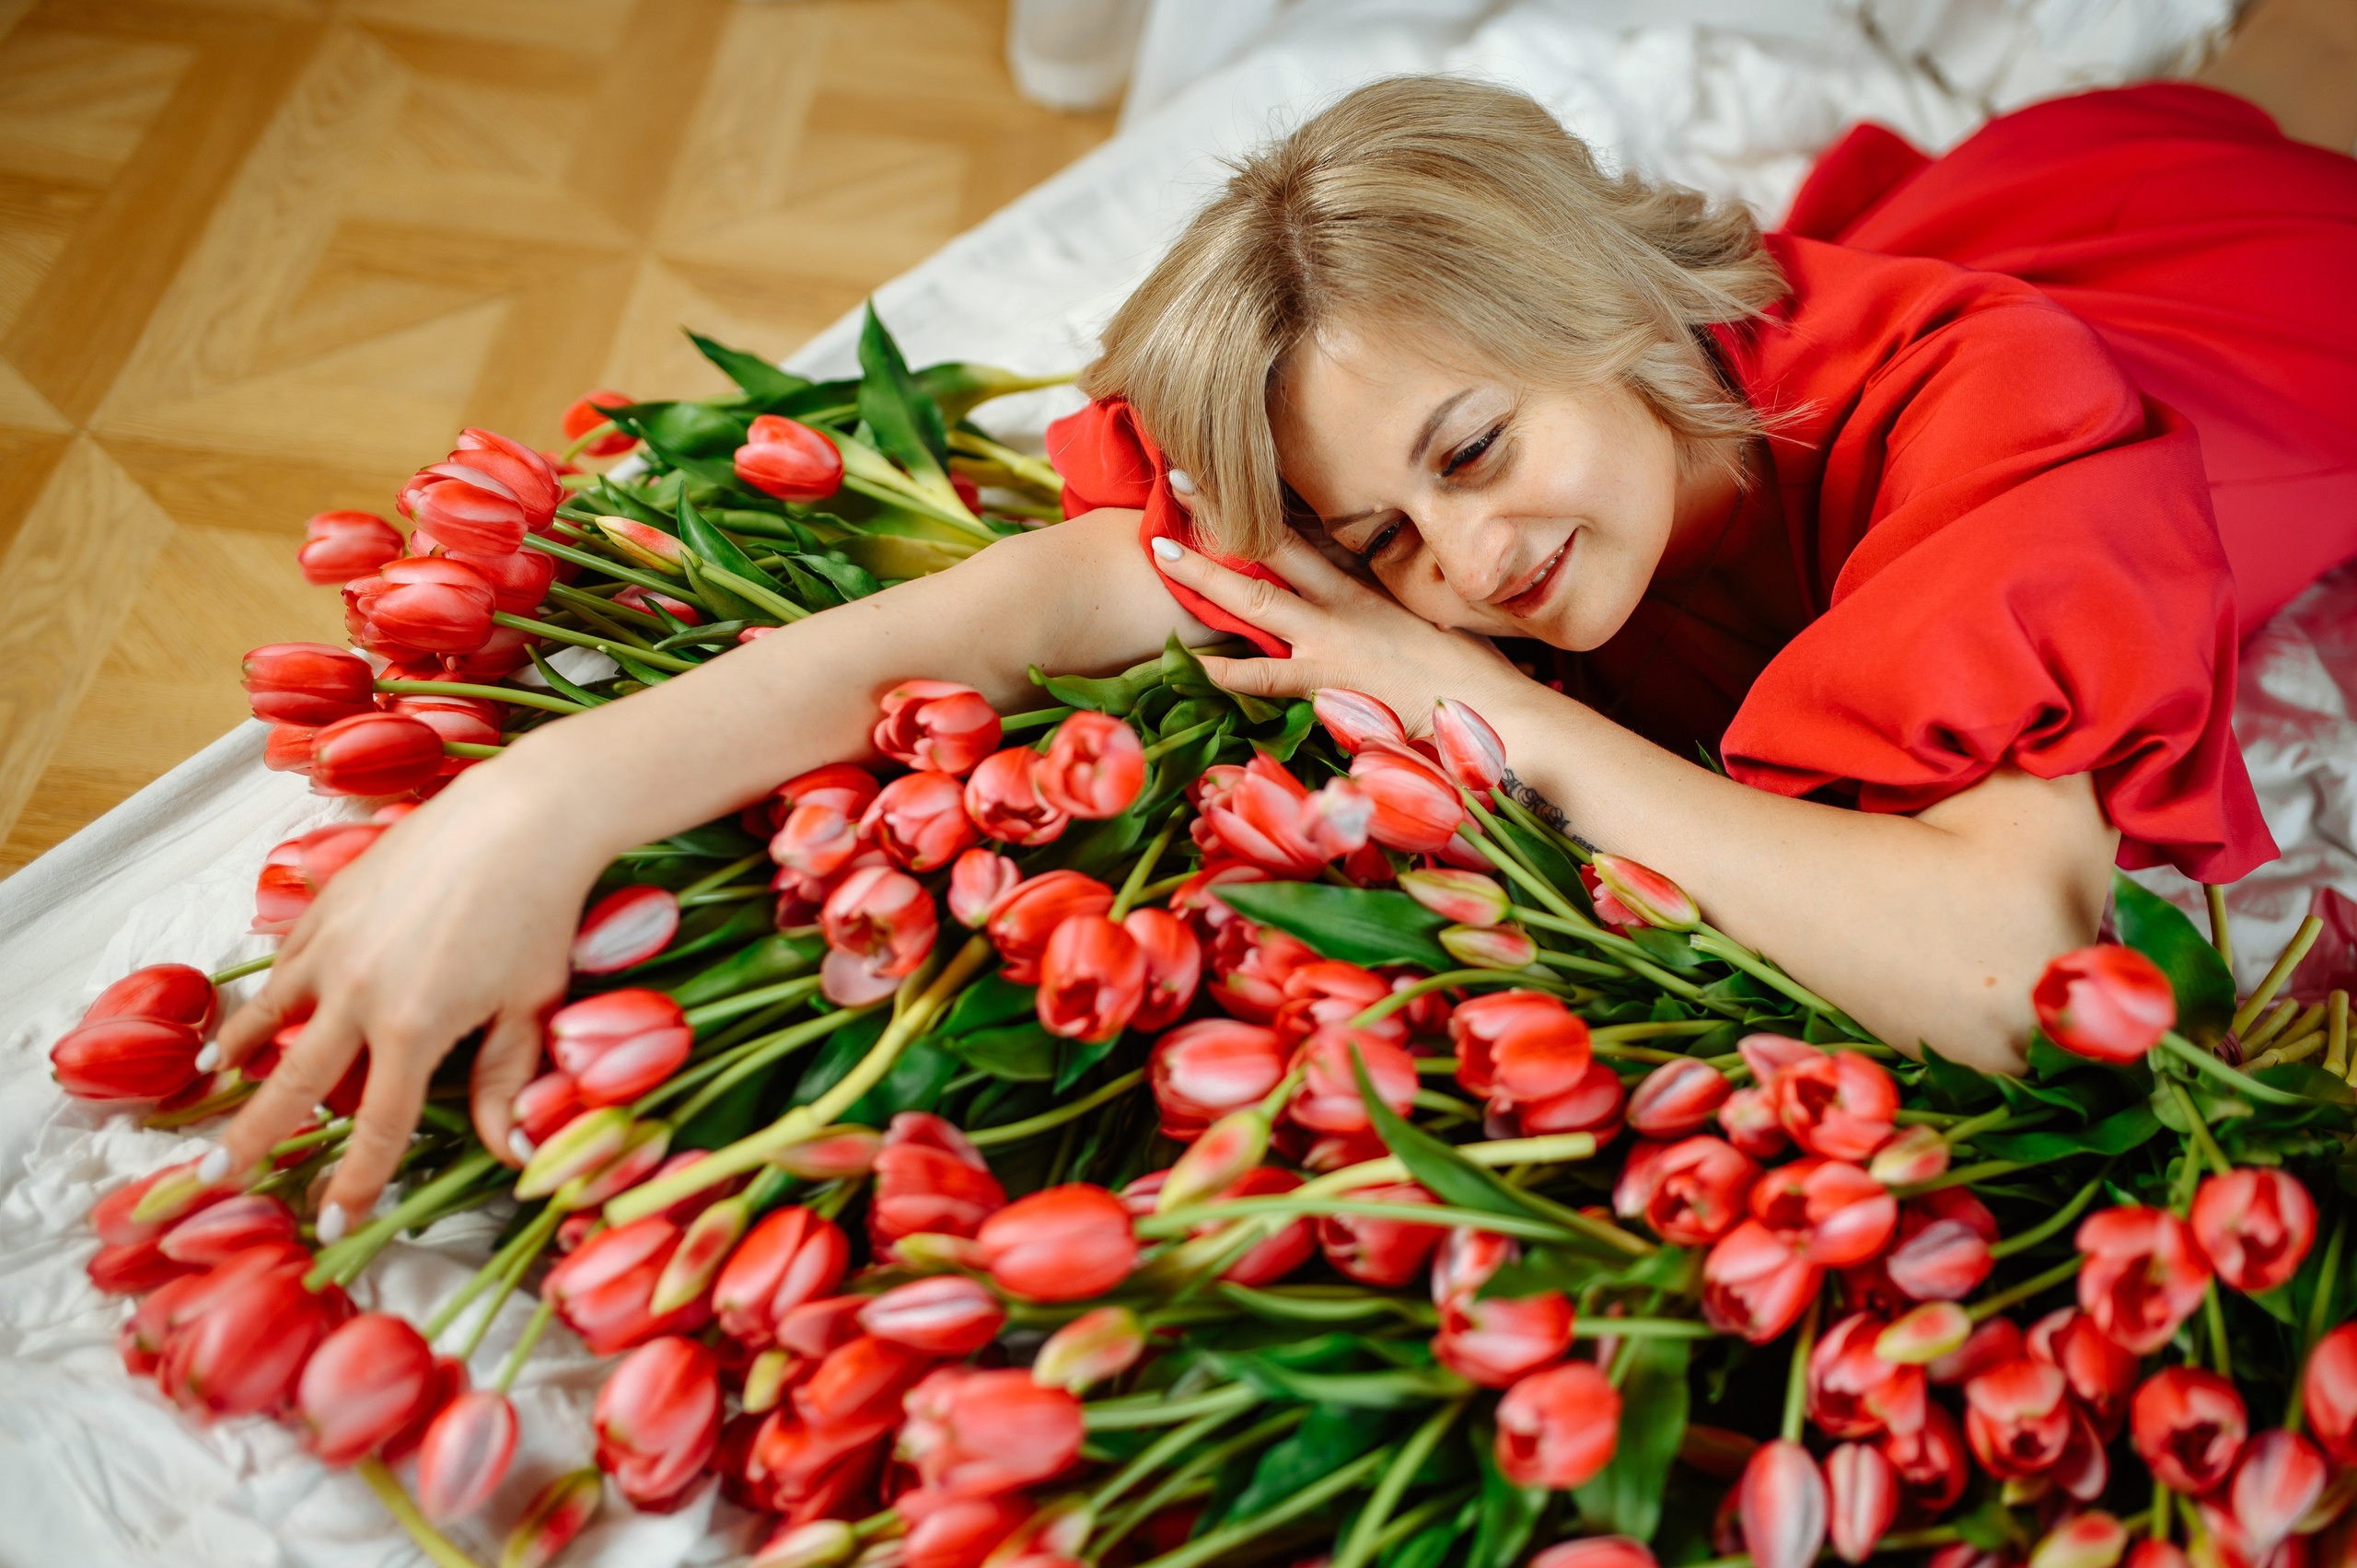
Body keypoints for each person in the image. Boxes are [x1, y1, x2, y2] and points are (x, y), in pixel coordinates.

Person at [201, 4, 2357, 1242]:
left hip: (2190, 331)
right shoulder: (1436, 504)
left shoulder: (1990, 433)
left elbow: (2021, 973)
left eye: (1475, 437)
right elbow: (1043, 599)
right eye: (1374, 532)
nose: (1459, 555)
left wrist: (1465, 707)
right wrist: (541, 802)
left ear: (1601, 315)